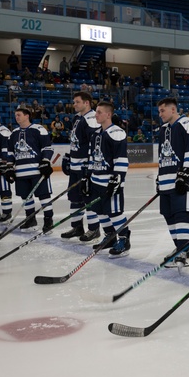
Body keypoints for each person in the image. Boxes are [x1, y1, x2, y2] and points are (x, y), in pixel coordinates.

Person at [155, 97, 189, 268]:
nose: (160, 114)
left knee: (181, 214)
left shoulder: (187, 124)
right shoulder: (163, 129)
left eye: (162, 111)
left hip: (183, 180)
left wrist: (186, 173)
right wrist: (159, 178)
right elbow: (162, 156)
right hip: (166, 181)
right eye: (159, 111)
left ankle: (183, 252)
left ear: (173, 110)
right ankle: (180, 247)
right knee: (168, 214)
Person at [89, 101, 131, 256]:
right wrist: (88, 177)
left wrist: (117, 179)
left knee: (115, 212)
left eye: (99, 112)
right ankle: (110, 237)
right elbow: (92, 157)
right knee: (100, 211)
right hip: (96, 181)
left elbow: (121, 159)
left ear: (108, 114)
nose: (96, 115)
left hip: (110, 182)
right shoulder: (96, 134)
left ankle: (124, 239)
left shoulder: (117, 133)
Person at [61, 92, 102, 242]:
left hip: (85, 165)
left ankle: (94, 229)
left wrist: (90, 164)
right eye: (74, 102)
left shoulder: (91, 119)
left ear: (86, 103)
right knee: (74, 197)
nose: (74, 105)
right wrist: (70, 157)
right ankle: (77, 227)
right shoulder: (77, 118)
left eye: (77, 102)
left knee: (88, 198)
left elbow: (95, 143)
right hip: (75, 165)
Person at [5, 107, 55, 231]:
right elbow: (10, 153)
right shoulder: (13, 133)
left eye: (19, 115)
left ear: (27, 116)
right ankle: (30, 219)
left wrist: (45, 161)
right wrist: (10, 168)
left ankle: (48, 220)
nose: (17, 117)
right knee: (25, 197)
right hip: (20, 173)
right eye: (16, 115)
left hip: (37, 171)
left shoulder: (38, 129)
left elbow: (47, 148)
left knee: (44, 196)